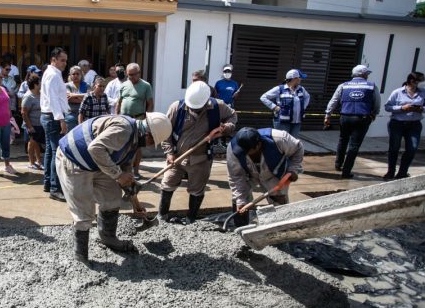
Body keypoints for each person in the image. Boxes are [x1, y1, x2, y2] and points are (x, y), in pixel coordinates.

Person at [57, 112, 173, 263]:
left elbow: (124, 162)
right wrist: (118, 175)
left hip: (96, 162)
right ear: (148, 134)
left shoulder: (135, 138)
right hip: (74, 160)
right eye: (153, 142)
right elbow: (96, 149)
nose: (151, 145)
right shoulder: (125, 129)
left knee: (112, 197)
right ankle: (81, 257)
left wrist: (129, 185)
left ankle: (108, 237)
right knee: (84, 212)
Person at [158, 81, 237, 224]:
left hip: (201, 158)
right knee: (167, 184)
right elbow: (165, 132)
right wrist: (169, 153)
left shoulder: (217, 106)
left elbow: (233, 117)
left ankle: (190, 220)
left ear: (206, 100)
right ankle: (161, 217)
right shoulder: (177, 107)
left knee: (196, 190)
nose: (194, 109)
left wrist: (225, 127)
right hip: (176, 157)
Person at [227, 127, 303, 227]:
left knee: (278, 198)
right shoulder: (233, 150)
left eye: (250, 150)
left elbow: (298, 149)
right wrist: (241, 200)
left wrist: (294, 169)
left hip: (274, 172)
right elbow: (236, 177)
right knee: (239, 200)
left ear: (258, 144)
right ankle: (242, 228)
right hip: (248, 174)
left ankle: (281, 228)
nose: (246, 153)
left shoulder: (279, 139)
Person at [325, 64, 381, 179]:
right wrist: (374, 114)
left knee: (343, 140)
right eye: (367, 74)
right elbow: (377, 102)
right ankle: (346, 171)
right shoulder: (371, 86)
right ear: (364, 75)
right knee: (354, 145)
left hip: (345, 117)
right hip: (362, 118)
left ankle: (338, 164)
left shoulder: (343, 86)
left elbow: (334, 100)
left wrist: (328, 115)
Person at [383, 71, 425, 180]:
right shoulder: (397, 92)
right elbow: (388, 107)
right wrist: (402, 108)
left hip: (414, 124)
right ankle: (390, 172)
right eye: (421, 81)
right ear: (412, 81)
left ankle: (403, 172)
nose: (423, 83)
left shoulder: (424, 93)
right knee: (394, 148)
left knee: (412, 148)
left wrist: (421, 109)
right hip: (397, 123)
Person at [40, 47, 69, 202]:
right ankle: (55, 188)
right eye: (62, 60)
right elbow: (53, 99)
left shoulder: (52, 74)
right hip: (53, 117)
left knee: (50, 152)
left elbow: (56, 96)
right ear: (54, 59)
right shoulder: (52, 75)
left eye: (65, 60)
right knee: (57, 153)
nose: (65, 63)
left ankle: (48, 183)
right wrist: (61, 119)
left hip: (50, 116)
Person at [115, 63, 153, 179]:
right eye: (129, 74)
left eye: (133, 74)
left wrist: (147, 120)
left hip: (138, 119)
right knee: (123, 145)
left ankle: (136, 171)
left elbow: (150, 104)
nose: (131, 77)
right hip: (124, 118)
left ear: (139, 73)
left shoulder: (146, 86)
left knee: (137, 146)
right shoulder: (124, 85)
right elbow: (119, 102)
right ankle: (124, 170)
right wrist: (116, 116)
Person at [260, 69, 310, 138]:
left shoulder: (301, 89)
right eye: (300, 78)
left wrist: (303, 107)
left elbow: (307, 97)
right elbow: (263, 97)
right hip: (282, 122)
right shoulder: (280, 89)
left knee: (293, 143)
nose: (301, 80)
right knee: (282, 142)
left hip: (297, 122)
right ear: (294, 79)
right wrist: (274, 107)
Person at [22, 76, 45, 170]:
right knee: (32, 143)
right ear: (35, 84)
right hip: (32, 124)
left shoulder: (40, 94)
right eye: (40, 82)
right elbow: (24, 112)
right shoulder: (28, 96)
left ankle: (39, 161)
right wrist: (30, 126)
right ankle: (31, 162)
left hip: (40, 124)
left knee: (36, 143)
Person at [65, 65, 89, 131]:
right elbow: (69, 98)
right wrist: (83, 97)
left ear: (81, 75)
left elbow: (89, 97)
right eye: (73, 74)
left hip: (85, 115)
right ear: (70, 75)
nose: (75, 76)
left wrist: (73, 95)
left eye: (77, 74)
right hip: (71, 114)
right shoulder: (67, 85)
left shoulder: (86, 85)